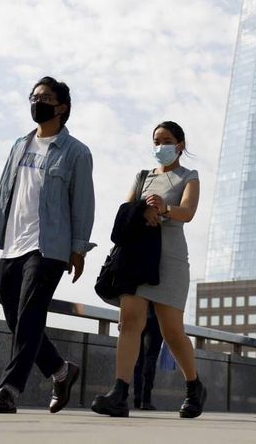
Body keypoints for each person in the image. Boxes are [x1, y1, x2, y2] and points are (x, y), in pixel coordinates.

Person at [0, 76, 94, 414]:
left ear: (62, 108)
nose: (36, 101)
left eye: (44, 97)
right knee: (17, 315)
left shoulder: (76, 152)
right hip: (12, 243)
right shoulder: (19, 145)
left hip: (49, 248)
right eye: (34, 96)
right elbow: (3, 191)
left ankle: (9, 390)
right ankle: (61, 370)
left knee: (30, 315)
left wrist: (78, 248)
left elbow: (83, 203)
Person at [91, 121, 205, 418]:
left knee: (172, 331)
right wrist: (143, 208)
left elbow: (188, 212)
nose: (160, 146)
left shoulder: (188, 176)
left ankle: (194, 386)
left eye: (166, 140)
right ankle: (119, 392)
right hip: (139, 257)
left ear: (179, 145)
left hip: (171, 260)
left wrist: (165, 209)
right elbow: (125, 209)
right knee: (129, 322)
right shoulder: (142, 176)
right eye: (156, 141)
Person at [132, 303, 162, 410]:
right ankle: (146, 400)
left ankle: (137, 399)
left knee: (138, 360)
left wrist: (121, 318)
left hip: (139, 312)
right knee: (151, 358)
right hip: (158, 316)